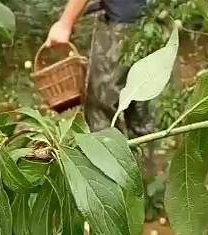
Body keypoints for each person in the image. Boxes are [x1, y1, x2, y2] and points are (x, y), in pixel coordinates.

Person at [46, 0, 155, 138]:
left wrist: (65, 24)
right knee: (140, 99)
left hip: (122, 28)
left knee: (102, 110)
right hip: (150, 23)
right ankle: (143, 153)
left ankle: (106, 156)